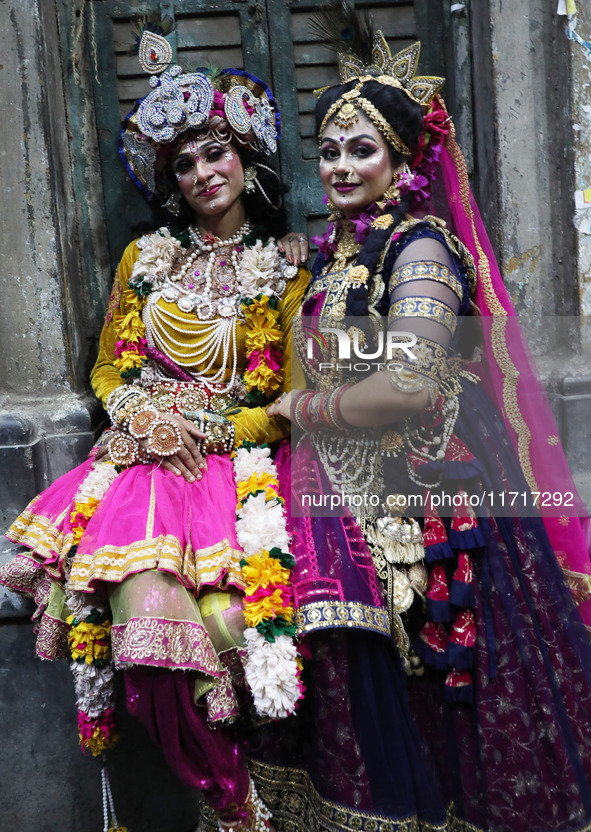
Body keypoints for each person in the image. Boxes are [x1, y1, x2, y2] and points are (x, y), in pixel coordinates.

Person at [259, 22, 591, 832]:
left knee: (436, 678)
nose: (339, 166)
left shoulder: (420, 251)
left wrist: (296, 411)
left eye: (361, 151)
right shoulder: (335, 254)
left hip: (420, 491)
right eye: (329, 149)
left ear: (404, 163)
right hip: (337, 477)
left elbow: (406, 385)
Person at [0, 25, 310, 832]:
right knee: (146, 637)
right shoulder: (144, 260)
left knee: (233, 625)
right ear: (169, 180)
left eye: (216, 153)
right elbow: (108, 369)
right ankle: (226, 800)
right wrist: (139, 411)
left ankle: (251, 792)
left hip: (233, 467)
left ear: (246, 155)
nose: (204, 173)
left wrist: (210, 427)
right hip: (142, 467)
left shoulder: (287, 267)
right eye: (184, 163)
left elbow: (285, 399)